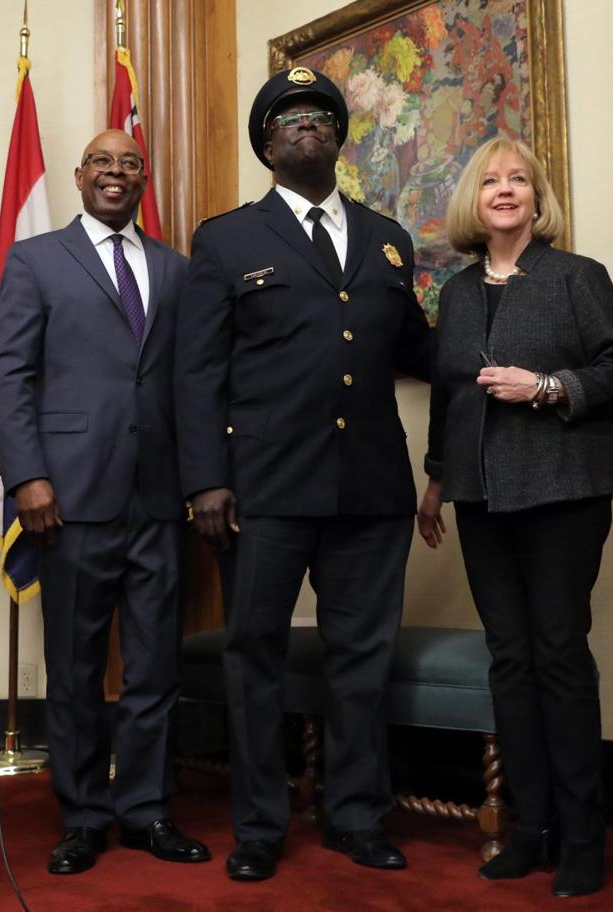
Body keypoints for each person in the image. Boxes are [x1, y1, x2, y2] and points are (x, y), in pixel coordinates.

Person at [175, 67, 432, 881]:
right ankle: (259, 827)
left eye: (320, 113)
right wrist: (204, 481)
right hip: (262, 491)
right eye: (288, 116)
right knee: (256, 658)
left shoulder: (388, 238)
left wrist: (503, 320)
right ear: (267, 143)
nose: (306, 123)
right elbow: (196, 371)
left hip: (370, 489)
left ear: (338, 136)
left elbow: (419, 350)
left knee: (362, 658)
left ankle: (357, 816)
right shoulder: (226, 239)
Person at [417, 136, 613, 898]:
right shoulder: (455, 294)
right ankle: (531, 829)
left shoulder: (578, 276)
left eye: (518, 179)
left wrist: (544, 386)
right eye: (491, 181)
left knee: (559, 656)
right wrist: (436, 481)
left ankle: (583, 839)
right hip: (480, 498)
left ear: (538, 199)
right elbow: (449, 398)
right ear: (474, 202)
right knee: (509, 661)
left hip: (563, 493)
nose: (505, 189)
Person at [0, 129, 209, 875]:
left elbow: (189, 382)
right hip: (69, 497)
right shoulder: (36, 259)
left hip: (159, 499)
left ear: (144, 180)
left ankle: (146, 810)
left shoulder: (177, 270)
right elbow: (10, 376)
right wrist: (27, 477)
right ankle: (82, 814)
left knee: (154, 667)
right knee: (77, 669)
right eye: (103, 163)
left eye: (130, 164)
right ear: (81, 177)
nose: (117, 173)